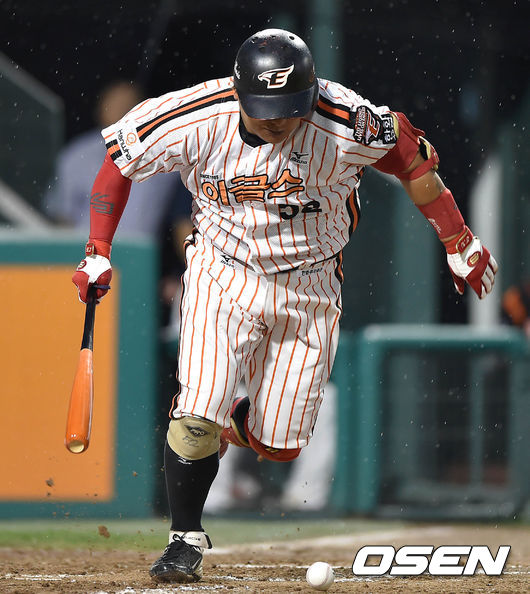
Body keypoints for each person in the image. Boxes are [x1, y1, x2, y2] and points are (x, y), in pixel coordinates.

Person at [71, 29, 498, 583]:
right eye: (267, 108)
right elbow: (117, 165)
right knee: (196, 416)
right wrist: (97, 251)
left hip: (311, 284)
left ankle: (232, 422)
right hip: (222, 271)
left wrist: (459, 240)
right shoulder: (194, 115)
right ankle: (185, 538)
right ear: (240, 92)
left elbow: (414, 164)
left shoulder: (348, 120)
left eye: (292, 107)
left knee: (281, 446)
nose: (280, 121)